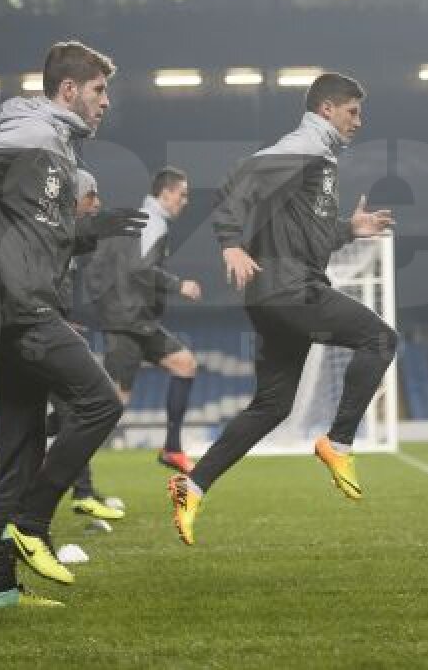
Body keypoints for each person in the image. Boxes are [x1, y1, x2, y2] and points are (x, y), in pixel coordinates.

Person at [0, 41, 147, 609]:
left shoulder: (57, 149)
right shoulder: (33, 136)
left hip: (19, 309)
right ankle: (32, 523)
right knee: (101, 402)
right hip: (19, 309)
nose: (106, 102)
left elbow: (37, 234)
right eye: (99, 91)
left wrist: (95, 230)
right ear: (68, 90)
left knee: (18, 451)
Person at [168, 72, 397, 546]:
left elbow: (306, 231)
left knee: (272, 405)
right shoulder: (308, 144)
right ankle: (338, 443)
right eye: (352, 110)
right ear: (327, 109)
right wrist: (229, 243)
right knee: (380, 338)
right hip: (289, 290)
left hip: (272, 296)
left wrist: (349, 230)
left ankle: (192, 485)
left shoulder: (321, 158)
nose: (360, 120)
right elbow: (241, 178)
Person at [84, 166, 202, 474]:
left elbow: (101, 271)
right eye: (182, 194)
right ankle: (57, 458)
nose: (185, 201)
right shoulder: (152, 221)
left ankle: (172, 449)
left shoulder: (142, 220)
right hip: (127, 322)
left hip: (138, 320)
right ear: (165, 193)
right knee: (111, 407)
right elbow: (139, 268)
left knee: (184, 364)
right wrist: (180, 285)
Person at [47, 170, 124, 523]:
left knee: (69, 411)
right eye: (91, 195)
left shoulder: (65, 238)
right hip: (36, 336)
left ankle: (79, 492)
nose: (98, 203)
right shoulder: (49, 233)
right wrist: (51, 320)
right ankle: (77, 493)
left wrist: (61, 318)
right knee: (84, 407)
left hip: (46, 328)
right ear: (72, 198)